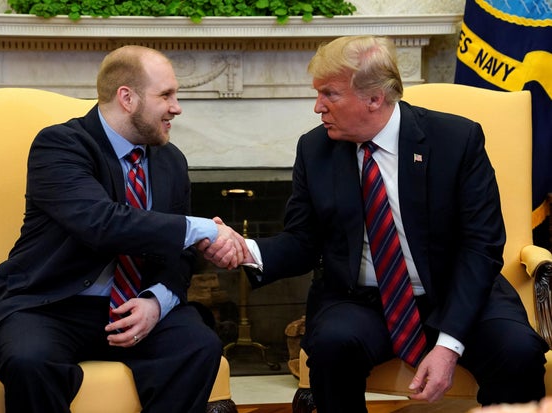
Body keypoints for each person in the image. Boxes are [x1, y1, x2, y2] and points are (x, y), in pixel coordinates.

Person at [199, 35, 548, 412]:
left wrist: (448, 345)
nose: (318, 107)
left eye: (329, 94)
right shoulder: (315, 149)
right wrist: (243, 248)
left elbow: (481, 247)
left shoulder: (456, 140)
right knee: (331, 346)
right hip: (361, 300)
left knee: (518, 352)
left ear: (374, 98)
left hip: (456, 292)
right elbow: (302, 241)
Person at [0, 45, 246, 413]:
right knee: (29, 360)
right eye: (166, 95)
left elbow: (177, 255)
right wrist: (204, 230)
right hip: (50, 303)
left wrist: (156, 302)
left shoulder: (171, 161)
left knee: (198, 346)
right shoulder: (60, 145)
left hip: (132, 307)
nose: (177, 107)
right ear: (127, 98)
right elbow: (101, 223)